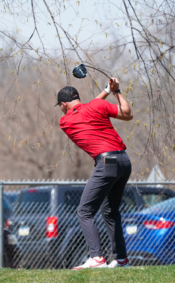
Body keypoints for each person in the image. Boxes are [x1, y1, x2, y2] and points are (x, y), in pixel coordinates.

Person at [56, 78, 133, 269]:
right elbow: (128, 113)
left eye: (60, 105)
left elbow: (86, 109)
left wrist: (106, 91)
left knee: (84, 211)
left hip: (106, 163)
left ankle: (97, 258)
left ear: (64, 104)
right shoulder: (97, 105)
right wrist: (115, 91)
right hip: (124, 161)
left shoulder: (65, 121)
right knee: (110, 212)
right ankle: (121, 259)